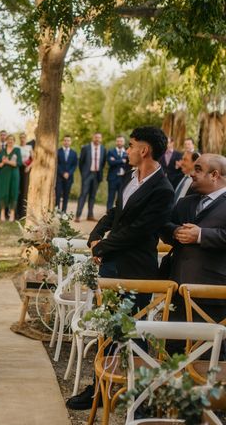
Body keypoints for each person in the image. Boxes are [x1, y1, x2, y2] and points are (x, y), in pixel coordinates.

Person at [67, 126, 174, 410]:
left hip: (137, 270)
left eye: (131, 145)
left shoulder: (163, 189)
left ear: (144, 150)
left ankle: (138, 397)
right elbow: (116, 213)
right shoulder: (131, 177)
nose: (127, 150)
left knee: (133, 333)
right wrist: (94, 236)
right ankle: (99, 389)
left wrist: (102, 248)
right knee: (108, 328)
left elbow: (139, 231)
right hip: (113, 265)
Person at [159, 153, 226, 322]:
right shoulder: (185, 202)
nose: (191, 173)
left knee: (208, 346)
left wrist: (201, 235)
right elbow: (164, 225)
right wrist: (175, 232)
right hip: (177, 290)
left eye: (198, 169)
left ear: (214, 175)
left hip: (213, 293)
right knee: (173, 344)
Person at [75, 132, 106, 222]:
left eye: (99, 137)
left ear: (101, 139)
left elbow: (103, 163)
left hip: (97, 175)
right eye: (96, 137)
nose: (97, 139)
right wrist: (84, 174)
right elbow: (81, 162)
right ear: (93, 138)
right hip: (87, 175)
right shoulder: (86, 148)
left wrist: (99, 172)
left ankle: (90, 215)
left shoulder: (103, 149)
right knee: (83, 195)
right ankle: (78, 215)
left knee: (93, 196)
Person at [0, 134, 23, 222]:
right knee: (3, 192)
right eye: (9, 139)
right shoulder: (2, 150)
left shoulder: (17, 150)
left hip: (14, 174)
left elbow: (18, 163)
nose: (10, 141)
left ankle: (12, 214)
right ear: (6, 141)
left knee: (14, 192)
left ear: (14, 141)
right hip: (4, 174)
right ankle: (2, 213)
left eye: (12, 139)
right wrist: (3, 162)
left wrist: (7, 161)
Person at [105, 135, 130, 212]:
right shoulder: (111, 152)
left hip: (123, 178)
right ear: (116, 142)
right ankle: (108, 213)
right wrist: (122, 161)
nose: (119, 143)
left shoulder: (127, 151)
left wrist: (116, 160)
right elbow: (110, 163)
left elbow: (129, 164)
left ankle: (118, 214)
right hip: (113, 178)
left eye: (121, 141)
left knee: (121, 197)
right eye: (118, 141)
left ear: (124, 142)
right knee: (111, 197)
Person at [55, 135, 78, 213]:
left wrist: (69, 173)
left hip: (69, 178)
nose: (66, 142)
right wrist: (62, 173)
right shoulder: (58, 151)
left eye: (68, 140)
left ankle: (63, 213)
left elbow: (75, 165)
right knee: (57, 196)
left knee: (66, 196)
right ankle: (57, 213)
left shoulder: (74, 153)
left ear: (70, 142)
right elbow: (56, 164)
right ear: (63, 141)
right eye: (65, 140)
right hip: (59, 178)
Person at [15, 132, 33, 219]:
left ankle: (23, 213)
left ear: (26, 138)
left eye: (24, 137)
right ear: (19, 138)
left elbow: (34, 159)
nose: (22, 139)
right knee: (17, 190)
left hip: (26, 170)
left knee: (25, 190)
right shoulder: (17, 147)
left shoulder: (29, 147)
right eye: (21, 137)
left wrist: (29, 167)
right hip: (18, 169)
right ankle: (16, 212)